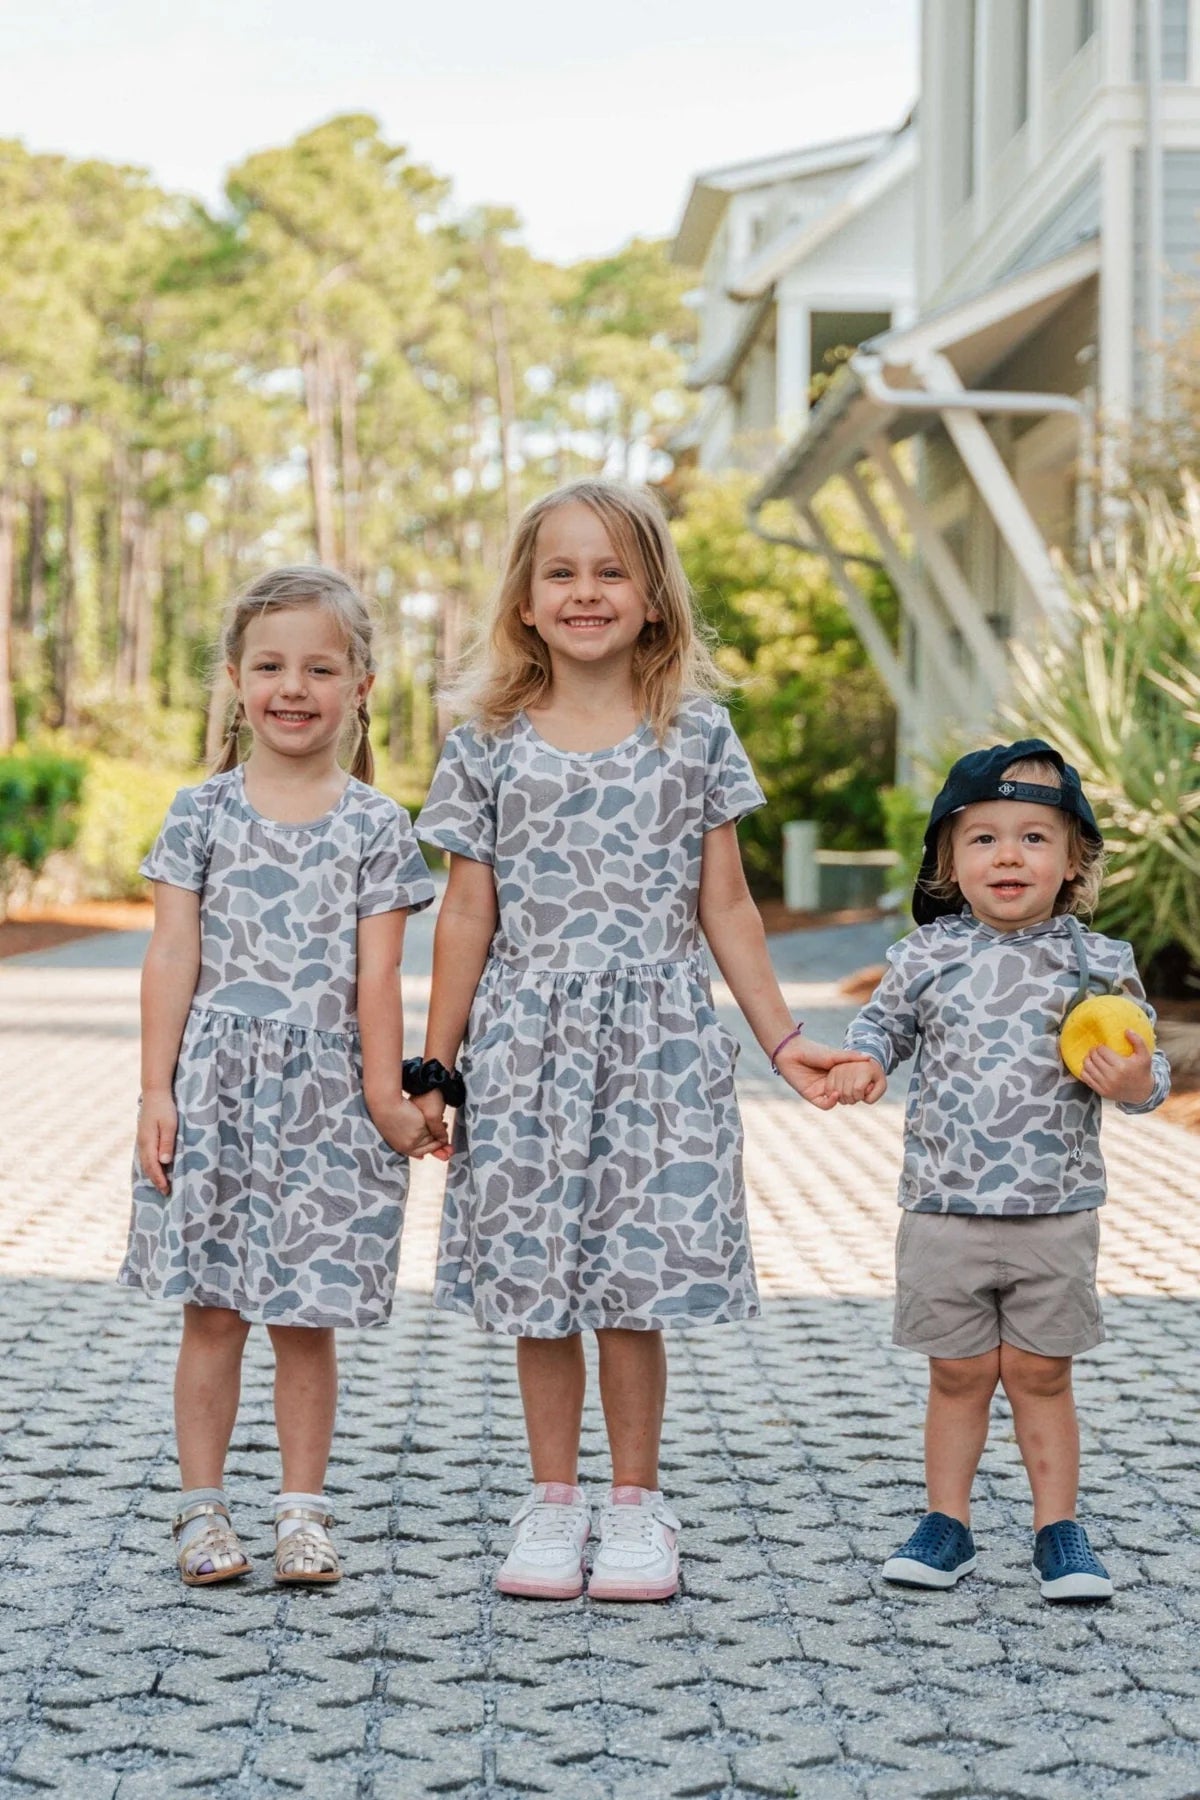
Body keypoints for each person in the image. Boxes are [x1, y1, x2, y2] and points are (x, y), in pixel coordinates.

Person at [412, 478, 865, 1603]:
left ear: (655, 597)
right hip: (527, 1050)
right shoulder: (487, 743)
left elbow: (729, 906)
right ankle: (552, 1499)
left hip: (657, 1051)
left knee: (629, 1287)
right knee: (538, 1283)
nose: (586, 591)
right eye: (561, 571)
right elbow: (466, 912)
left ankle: (634, 1504)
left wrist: (782, 1041)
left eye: (612, 570)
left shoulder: (694, 734)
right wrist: (435, 1064)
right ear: (524, 601)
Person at [120, 566, 441, 1588]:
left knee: (307, 1317)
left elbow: (379, 976)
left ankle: (303, 1512)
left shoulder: (376, 825)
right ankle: (202, 1510)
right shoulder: (200, 814)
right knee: (213, 1312)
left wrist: (386, 1096)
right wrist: (156, 1091)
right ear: (235, 680)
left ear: (362, 687)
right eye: (269, 666)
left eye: (320, 668)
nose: (292, 687)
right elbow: (172, 955)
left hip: (326, 1101)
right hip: (214, 1092)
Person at [828, 740, 1170, 1601]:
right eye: (983, 838)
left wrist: (1136, 1082)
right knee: (958, 1373)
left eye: (1034, 838)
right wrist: (863, 1063)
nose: (1008, 855)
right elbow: (881, 1029)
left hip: (1056, 1211)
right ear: (949, 862)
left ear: (1074, 861)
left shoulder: (1099, 962)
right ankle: (948, 1524)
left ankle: (1059, 1530)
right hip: (944, 1209)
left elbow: (1147, 1069)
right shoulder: (924, 955)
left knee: (1042, 1373)